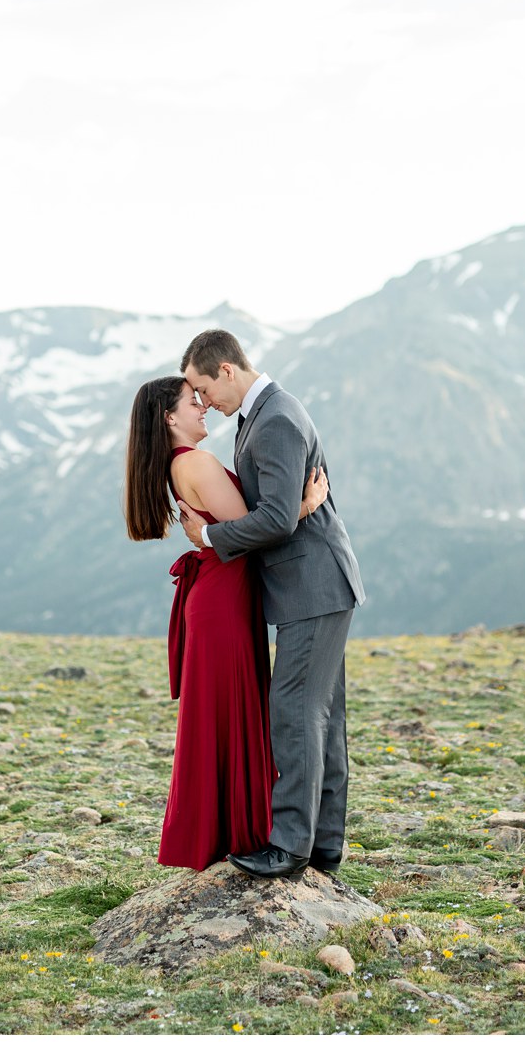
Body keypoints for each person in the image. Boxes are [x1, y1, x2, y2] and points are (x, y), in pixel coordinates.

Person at [177, 328, 366, 879]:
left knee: (297, 715)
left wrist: (209, 539)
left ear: (227, 371)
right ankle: (324, 847)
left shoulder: (276, 418)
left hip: (312, 585)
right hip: (316, 585)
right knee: (323, 720)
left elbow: (278, 519)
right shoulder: (265, 415)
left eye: (203, 388)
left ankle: (289, 848)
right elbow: (284, 508)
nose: (203, 401)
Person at [126, 375, 326, 871]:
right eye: (192, 403)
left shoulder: (181, 464)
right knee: (229, 712)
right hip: (223, 603)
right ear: (170, 418)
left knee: (223, 714)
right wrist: (304, 506)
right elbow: (254, 530)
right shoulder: (196, 462)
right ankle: (238, 832)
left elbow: (225, 531)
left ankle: (225, 830)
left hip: (221, 597)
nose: (203, 409)